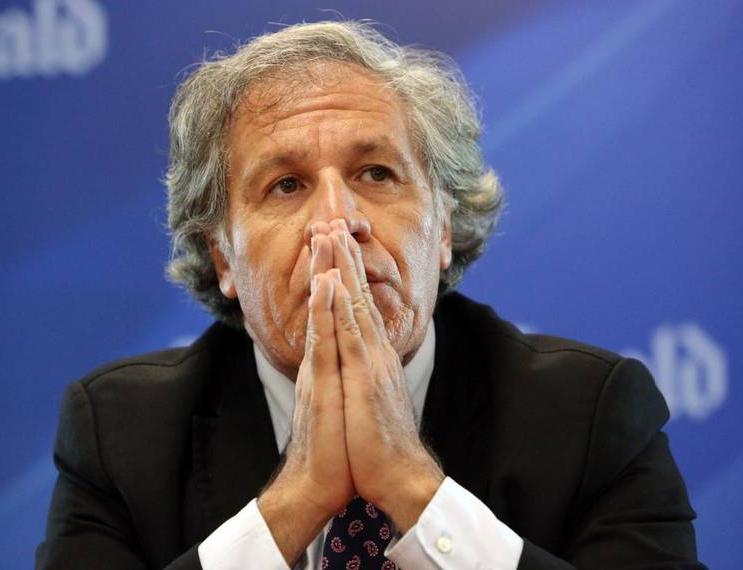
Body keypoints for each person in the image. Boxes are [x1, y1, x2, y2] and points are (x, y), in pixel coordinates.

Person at [36, 21, 704, 570]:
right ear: (223, 257)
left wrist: (414, 489)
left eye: (376, 173)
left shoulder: (591, 416)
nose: (338, 221)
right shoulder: (121, 435)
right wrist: (294, 501)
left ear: (444, 227)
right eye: (287, 186)